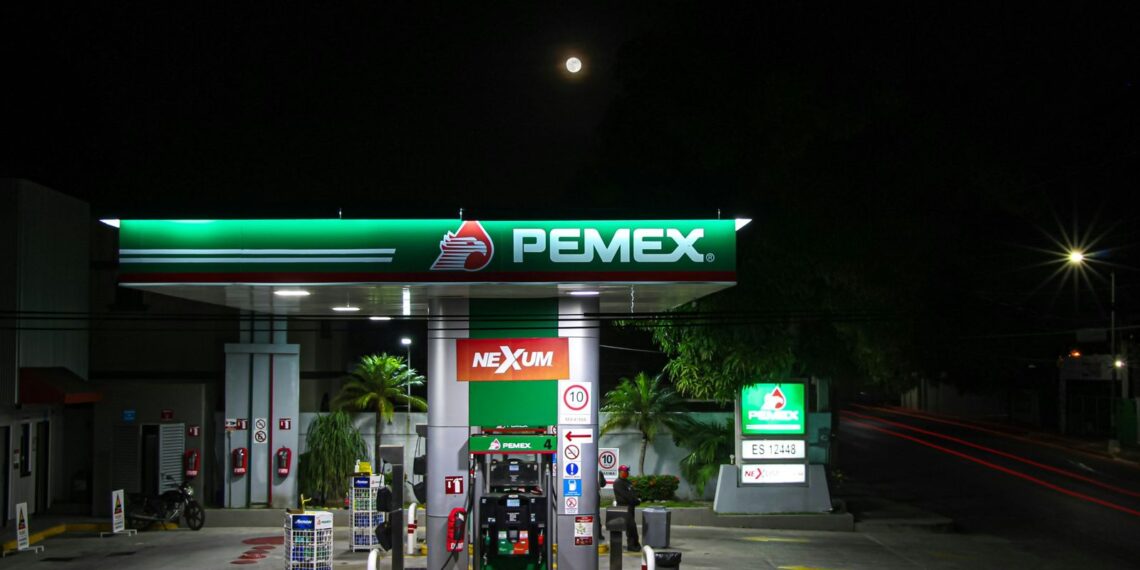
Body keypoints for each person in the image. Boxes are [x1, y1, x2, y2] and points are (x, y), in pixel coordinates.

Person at [612, 464, 641, 551]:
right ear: (620, 472)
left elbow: (632, 493)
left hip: (630, 507)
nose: (626, 473)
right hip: (624, 507)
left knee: (632, 527)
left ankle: (635, 544)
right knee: (631, 526)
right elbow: (626, 496)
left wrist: (637, 499)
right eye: (624, 471)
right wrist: (636, 501)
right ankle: (631, 545)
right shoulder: (618, 483)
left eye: (627, 471)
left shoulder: (627, 482)